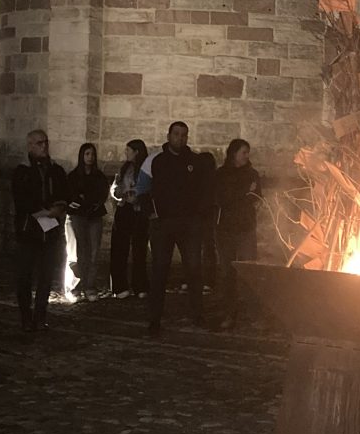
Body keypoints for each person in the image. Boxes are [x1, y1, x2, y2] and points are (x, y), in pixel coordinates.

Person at [136, 121, 216, 336]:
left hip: (189, 224)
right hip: (163, 224)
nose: (180, 138)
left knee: (194, 269)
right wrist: (152, 214)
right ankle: (154, 319)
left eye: (184, 135)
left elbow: (205, 189)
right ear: (169, 136)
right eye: (177, 134)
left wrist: (198, 215)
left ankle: (197, 315)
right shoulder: (156, 161)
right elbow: (142, 190)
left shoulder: (195, 162)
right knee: (160, 271)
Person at [12, 129, 69, 331]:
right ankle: (26, 316)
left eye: (45, 142)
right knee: (25, 276)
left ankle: (40, 315)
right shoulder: (22, 171)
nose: (44, 146)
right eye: (39, 143)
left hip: (50, 232)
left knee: (46, 276)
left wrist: (58, 209)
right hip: (28, 231)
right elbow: (21, 199)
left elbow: (64, 193)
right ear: (30, 146)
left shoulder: (56, 170)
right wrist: (42, 211)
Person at [215, 138, 260, 330]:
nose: (246, 156)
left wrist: (245, 196)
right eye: (243, 153)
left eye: (247, 153)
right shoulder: (221, 174)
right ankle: (229, 313)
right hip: (226, 230)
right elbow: (224, 199)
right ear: (234, 153)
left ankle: (253, 314)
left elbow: (256, 197)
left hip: (245, 229)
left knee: (249, 271)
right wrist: (244, 194)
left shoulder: (252, 174)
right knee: (228, 273)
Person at [66, 143, 110, 301]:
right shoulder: (74, 176)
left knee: (93, 251)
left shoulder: (99, 176)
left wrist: (90, 200)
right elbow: (71, 194)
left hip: (94, 215)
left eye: (92, 154)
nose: (90, 157)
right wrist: (80, 200)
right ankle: (78, 284)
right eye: (87, 154)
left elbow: (101, 194)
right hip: (79, 215)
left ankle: (90, 285)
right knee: (80, 250)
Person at [109, 139, 150, 299]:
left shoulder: (145, 169)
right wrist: (118, 192)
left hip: (139, 211)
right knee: (120, 248)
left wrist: (138, 197)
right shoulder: (124, 168)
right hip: (124, 209)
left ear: (136, 152)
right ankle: (120, 286)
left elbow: (148, 189)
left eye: (128, 150)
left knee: (139, 249)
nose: (126, 153)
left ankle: (140, 285)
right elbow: (115, 187)